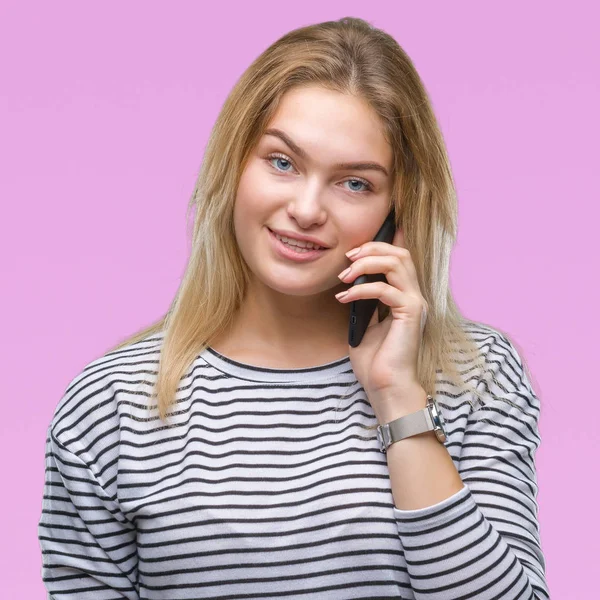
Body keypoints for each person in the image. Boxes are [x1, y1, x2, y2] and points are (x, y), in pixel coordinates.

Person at [37, 16, 550, 600]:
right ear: (234, 166)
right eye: (282, 162)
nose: (306, 209)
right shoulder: (112, 404)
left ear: (399, 208)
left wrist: (399, 400)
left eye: (354, 183)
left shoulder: (475, 374)